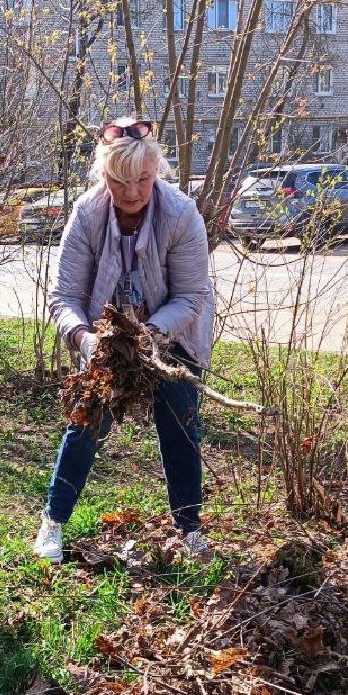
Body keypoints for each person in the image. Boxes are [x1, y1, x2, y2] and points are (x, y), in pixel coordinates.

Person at [33, 118, 214, 563]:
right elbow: (65, 296)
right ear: (103, 175)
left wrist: (148, 337)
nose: (132, 192)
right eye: (119, 181)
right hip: (105, 341)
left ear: (157, 172)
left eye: (142, 180)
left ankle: (190, 531)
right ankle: (53, 522)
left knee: (180, 425)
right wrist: (85, 338)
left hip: (173, 341)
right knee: (85, 424)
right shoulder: (88, 215)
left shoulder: (181, 215)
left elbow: (191, 295)